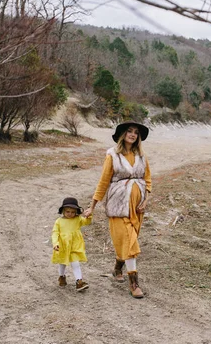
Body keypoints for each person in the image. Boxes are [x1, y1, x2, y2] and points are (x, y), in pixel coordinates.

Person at [86, 121, 151, 299]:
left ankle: (117, 269)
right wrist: (92, 206)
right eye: (129, 131)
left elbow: (148, 179)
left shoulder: (141, 156)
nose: (133, 135)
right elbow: (103, 181)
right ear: (122, 134)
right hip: (118, 205)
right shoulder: (112, 155)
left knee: (129, 239)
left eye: (136, 132)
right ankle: (134, 283)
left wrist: (146, 200)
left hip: (137, 208)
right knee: (130, 242)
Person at [51, 197, 93, 292]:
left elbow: (87, 222)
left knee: (75, 263)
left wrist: (89, 215)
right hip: (63, 246)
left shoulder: (78, 219)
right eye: (68, 211)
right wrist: (55, 243)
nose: (70, 214)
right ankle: (62, 277)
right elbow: (55, 233)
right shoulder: (59, 221)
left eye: (73, 212)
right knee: (62, 263)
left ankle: (79, 282)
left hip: (75, 245)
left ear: (76, 212)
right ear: (63, 211)